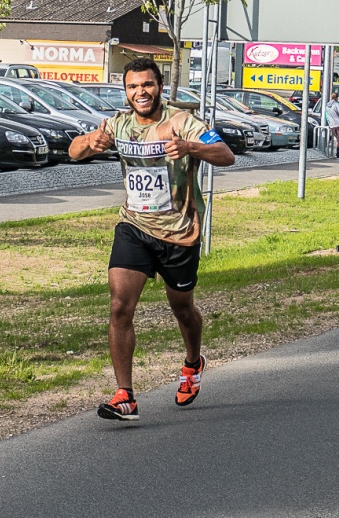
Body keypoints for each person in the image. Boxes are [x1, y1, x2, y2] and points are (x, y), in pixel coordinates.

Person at [67, 57, 235, 421]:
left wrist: (191, 149)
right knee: (119, 307)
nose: (140, 92)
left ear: (159, 86)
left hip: (179, 233)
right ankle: (124, 394)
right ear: (125, 91)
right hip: (135, 227)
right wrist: (91, 141)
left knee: (182, 309)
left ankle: (193, 362)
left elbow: (226, 155)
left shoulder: (182, 122)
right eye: (132, 87)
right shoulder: (118, 124)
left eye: (147, 85)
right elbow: (74, 151)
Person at [326, 91, 339, 159]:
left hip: (332, 125)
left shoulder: (327, 106)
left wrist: (329, 122)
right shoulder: (337, 105)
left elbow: (327, 115)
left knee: (338, 138)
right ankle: (338, 154)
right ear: (337, 98)